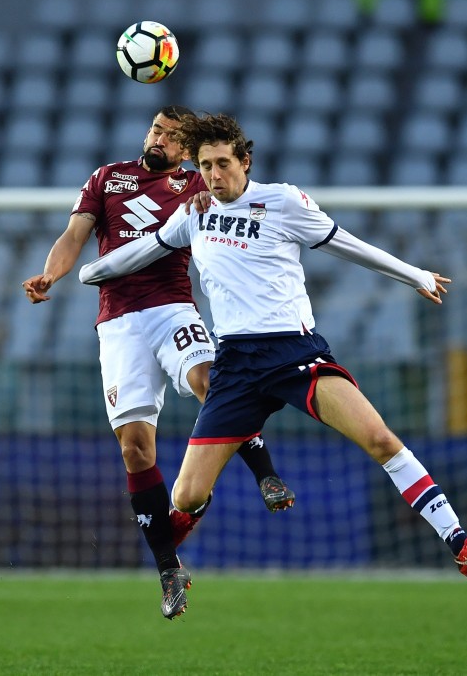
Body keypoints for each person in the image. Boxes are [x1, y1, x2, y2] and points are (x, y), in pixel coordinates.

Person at [79, 113, 467, 618]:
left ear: (245, 161)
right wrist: (82, 273)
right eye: (205, 166)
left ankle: (462, 542)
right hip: (236, 368)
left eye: (223, 163)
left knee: (378, 438)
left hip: (293, 353)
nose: (215, 175)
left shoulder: (282, 201)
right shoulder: (193, 214)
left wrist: (413, 274)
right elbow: (140, 253)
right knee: (188, 494)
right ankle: (170, 555)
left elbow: (347, 242)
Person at [21, 105, 295, 619]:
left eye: (171, 136)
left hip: (172, 307)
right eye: (155, 129)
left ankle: (266, 473)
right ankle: (169, 569)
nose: (159, 139)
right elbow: (75, 236)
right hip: (118, 323)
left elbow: (242, 204)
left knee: (210, 382)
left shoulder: (198, 185)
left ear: (187, 151)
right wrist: (50, 274)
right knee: (135, 448)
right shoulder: (107, 178)